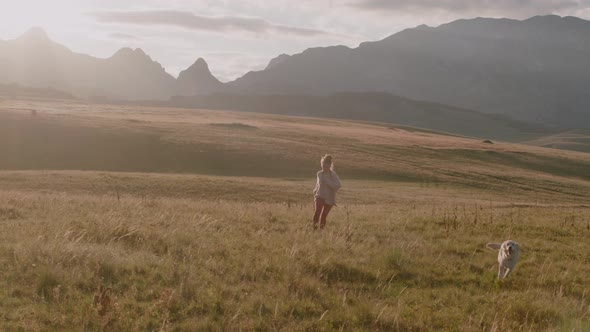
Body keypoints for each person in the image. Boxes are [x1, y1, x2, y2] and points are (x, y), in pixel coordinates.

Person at [312, 154, 342, 229]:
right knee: (317, 212)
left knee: (323, 216)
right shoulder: (319, 174)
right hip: (319, 196)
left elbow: (338, 185)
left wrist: (328, 182)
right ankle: (314, 229)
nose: (324, 167)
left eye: (326, 166)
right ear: (321, 164)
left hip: (329, 198)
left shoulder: (333, 175)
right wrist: (315, 191)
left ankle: (321, 231)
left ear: (329, 166)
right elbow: (317, 184)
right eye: (323, 165)